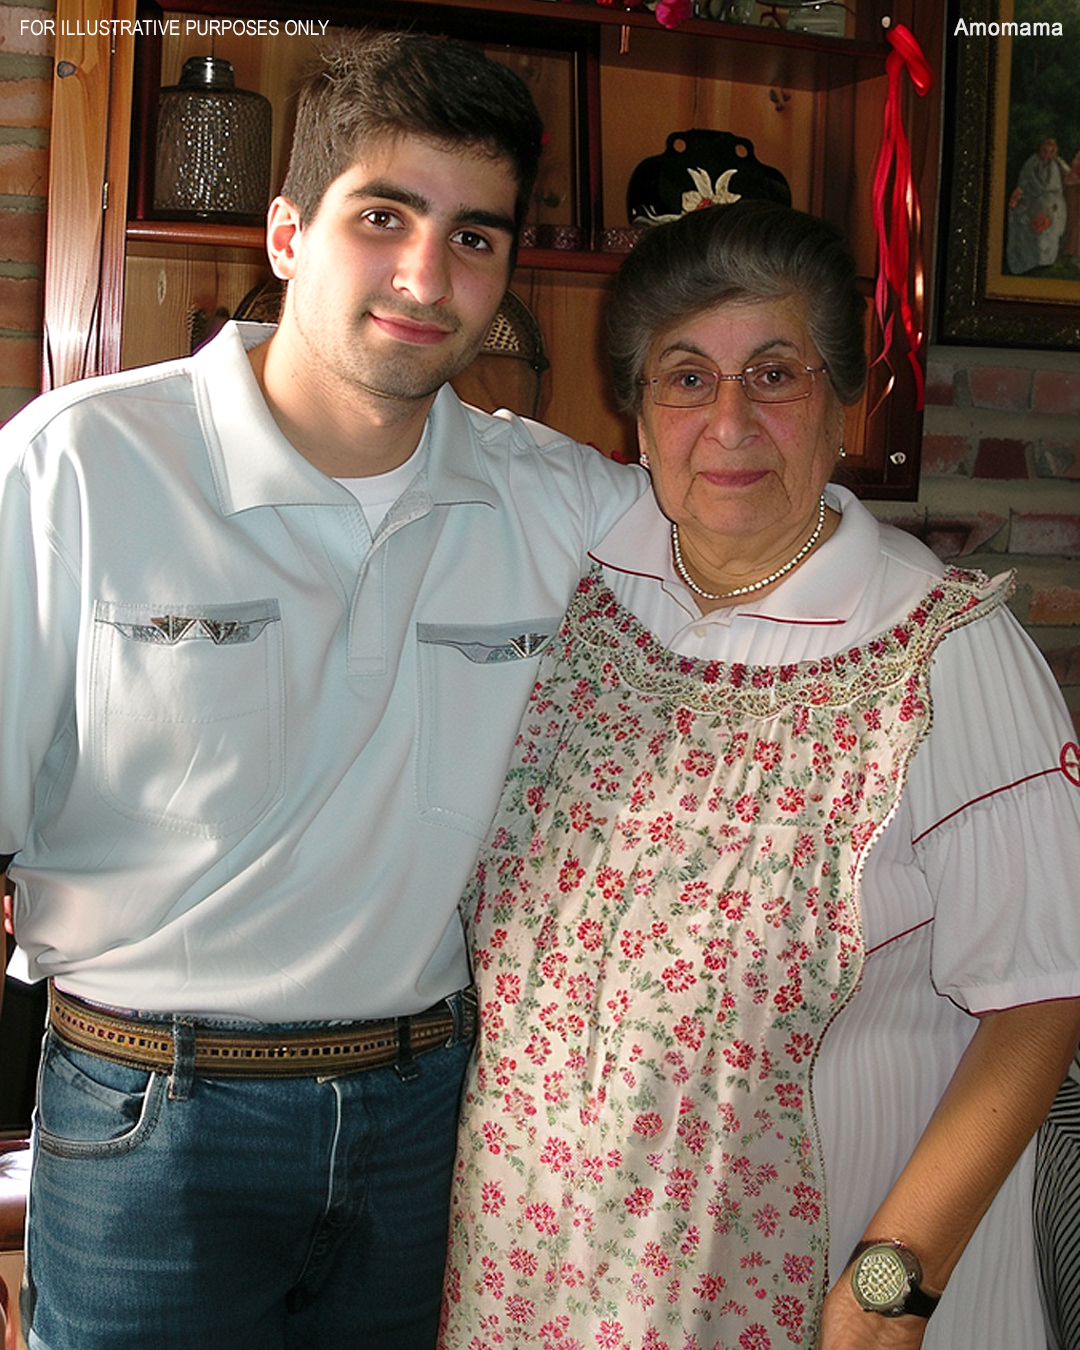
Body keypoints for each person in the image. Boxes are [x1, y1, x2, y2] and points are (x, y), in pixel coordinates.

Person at [0, 30, 643, 1350]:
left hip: (432, 1113)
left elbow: (765, 575)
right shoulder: (81, 469)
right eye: (384, 216)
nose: (426, 274)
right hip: (148, 1121)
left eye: (475, 236)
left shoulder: (563, 499)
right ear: (287, 233)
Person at [440, 200, 1080, 1349]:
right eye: (687, 378)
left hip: (810, 1293)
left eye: (775, 373)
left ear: (845, 404)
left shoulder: (946, 654)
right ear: (637, 417)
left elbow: (1042, 1000)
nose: (730, 419)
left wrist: (895, 1285)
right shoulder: (577, 597)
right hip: (532, 1276)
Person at [1006, 136, 1071, 274]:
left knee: (1052, 228)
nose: (1047, 155)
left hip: (1052, 203)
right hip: (1033, 201)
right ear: (1041, 150)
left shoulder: (1056, 164)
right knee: (1030, 227)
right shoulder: (1031, 164)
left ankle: (1046, 261)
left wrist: (1052, 205)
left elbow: (1058, 187)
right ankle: (1032, 261)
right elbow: (1024, 184)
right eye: (1045, 151)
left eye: (1051, 152)